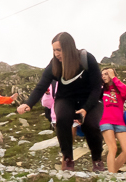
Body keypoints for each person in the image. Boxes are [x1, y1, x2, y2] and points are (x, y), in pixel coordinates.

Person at [18, 32, 105, 172]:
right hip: (66, 98)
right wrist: (28, 103)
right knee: (63, 119)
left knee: (91, 125)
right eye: (54, 50)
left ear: (68, 48)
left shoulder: (86, 58)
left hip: (90, 98)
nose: (56, 53)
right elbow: (41, 86)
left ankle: (97, 160)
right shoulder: (54, 65)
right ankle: (68, 158)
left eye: (59, 50)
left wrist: (86, 108)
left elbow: (96, 88)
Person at [100, 68, 126, 173]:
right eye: (102, 74)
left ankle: (112, 171)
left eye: (106, 74)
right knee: (112, 148)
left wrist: (114, 78)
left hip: (119, 122)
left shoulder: (119, 90)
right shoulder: (100, 89)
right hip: (105, 121)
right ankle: (112, 176)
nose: (104, 76)